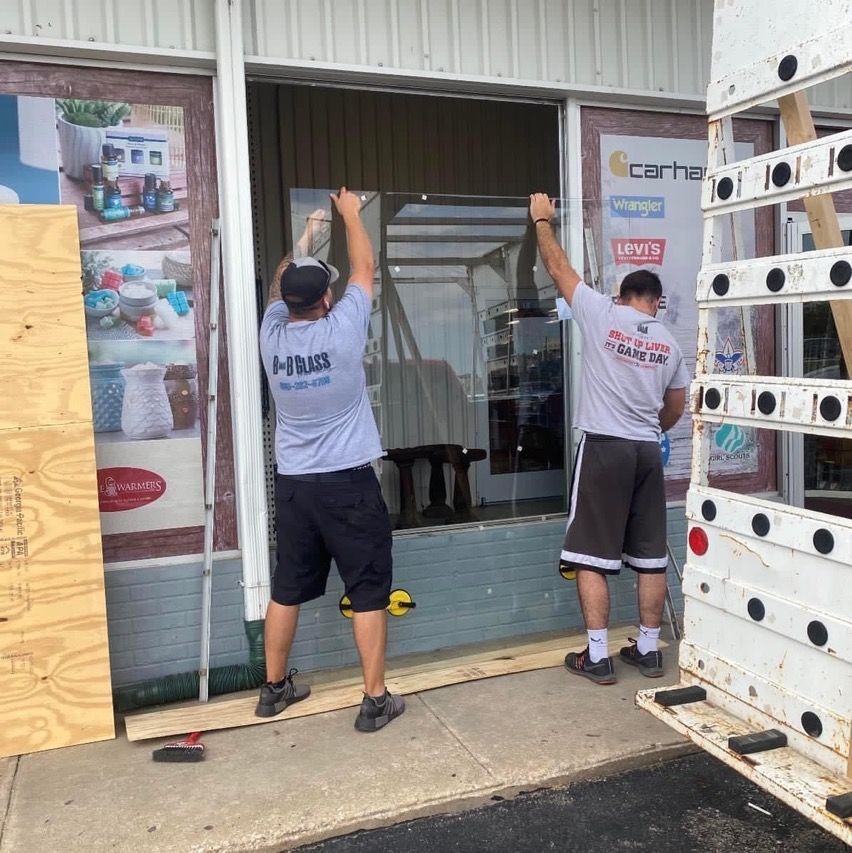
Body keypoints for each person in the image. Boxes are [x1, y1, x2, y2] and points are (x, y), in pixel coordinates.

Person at [256, 187, 405, 731]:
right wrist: (348, 215)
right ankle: (374, 700)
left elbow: (279, 285)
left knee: (287, 586)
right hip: (347, 483)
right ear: (325, 301)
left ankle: (273, 690)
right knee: (367, 589)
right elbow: (366, 265)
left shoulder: (271, 335)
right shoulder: (343, 331)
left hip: (295, 486)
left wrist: (302, 242)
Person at [529, 192, 688, 685]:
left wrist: (541, 222)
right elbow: (677, 406)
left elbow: (558, 270)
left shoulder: (603, 313)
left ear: (622, 296)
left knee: (590, 553)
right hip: (645, 450)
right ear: (656, 301)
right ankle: (648, 649)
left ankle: (597, 656)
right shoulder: (668, 341)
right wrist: (650, 427)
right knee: (649, 555)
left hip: (604, 448)